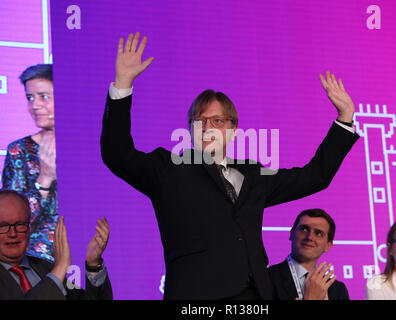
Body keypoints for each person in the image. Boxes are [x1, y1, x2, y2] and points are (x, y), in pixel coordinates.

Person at [101, 32, 359, 299]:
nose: (209, 128)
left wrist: (345, 118)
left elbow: (315, 176)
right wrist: (123, 84)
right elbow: (117, 155)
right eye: (201, 121)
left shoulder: (254, 174)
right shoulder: (169, 168)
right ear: (191, 129)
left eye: (218, 121)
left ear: (234, 130)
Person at [0, 189, 113, 300]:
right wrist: (59, 269)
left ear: (29, 228)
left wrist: (93, 265)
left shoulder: (46, 267)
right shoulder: (56, 271)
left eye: (20, 224)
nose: (13, 233)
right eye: (3, 226)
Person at [2, 64, 57, 262]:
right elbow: (12, 223)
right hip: (38, 262)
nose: (35, 105)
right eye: (30, 98)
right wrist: (45, 177)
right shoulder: (19, 150)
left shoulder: (84, 148)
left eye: (44, 96)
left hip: (85, 252)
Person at [268, 209, 349, 300]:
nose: (309, 237)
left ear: (328, 245)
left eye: (318, 233)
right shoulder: (265, 278)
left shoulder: (338, 290)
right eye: (304, 229)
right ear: (291, 233)